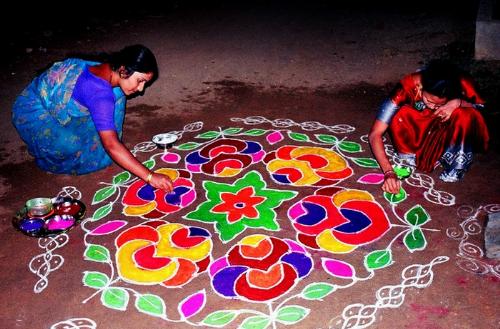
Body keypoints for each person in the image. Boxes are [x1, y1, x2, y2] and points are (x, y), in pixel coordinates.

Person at [12, 44, 173, 192]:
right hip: (33, 112)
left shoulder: (110, 67)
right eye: (140, 81)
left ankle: (100, 134)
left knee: (118, 93)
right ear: (123, 70)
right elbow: (111, 145)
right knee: (71, 146)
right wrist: (150, 177)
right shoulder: (100, 95)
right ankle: (46, 156)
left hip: (74, 101)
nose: (141, 89)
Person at [368, 59, 489, 194]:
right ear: (423, 88)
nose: (432, 106)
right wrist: (389, 172)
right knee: (399, 112)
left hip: (445, 127)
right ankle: (410, 153)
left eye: (438, 104)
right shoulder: (409, 85)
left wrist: (458, 102)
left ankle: (453, 162)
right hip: (420, 127)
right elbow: (375, 133)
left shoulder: (463, 82)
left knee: (466, 115)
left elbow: (482, 109)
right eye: (429, 101)